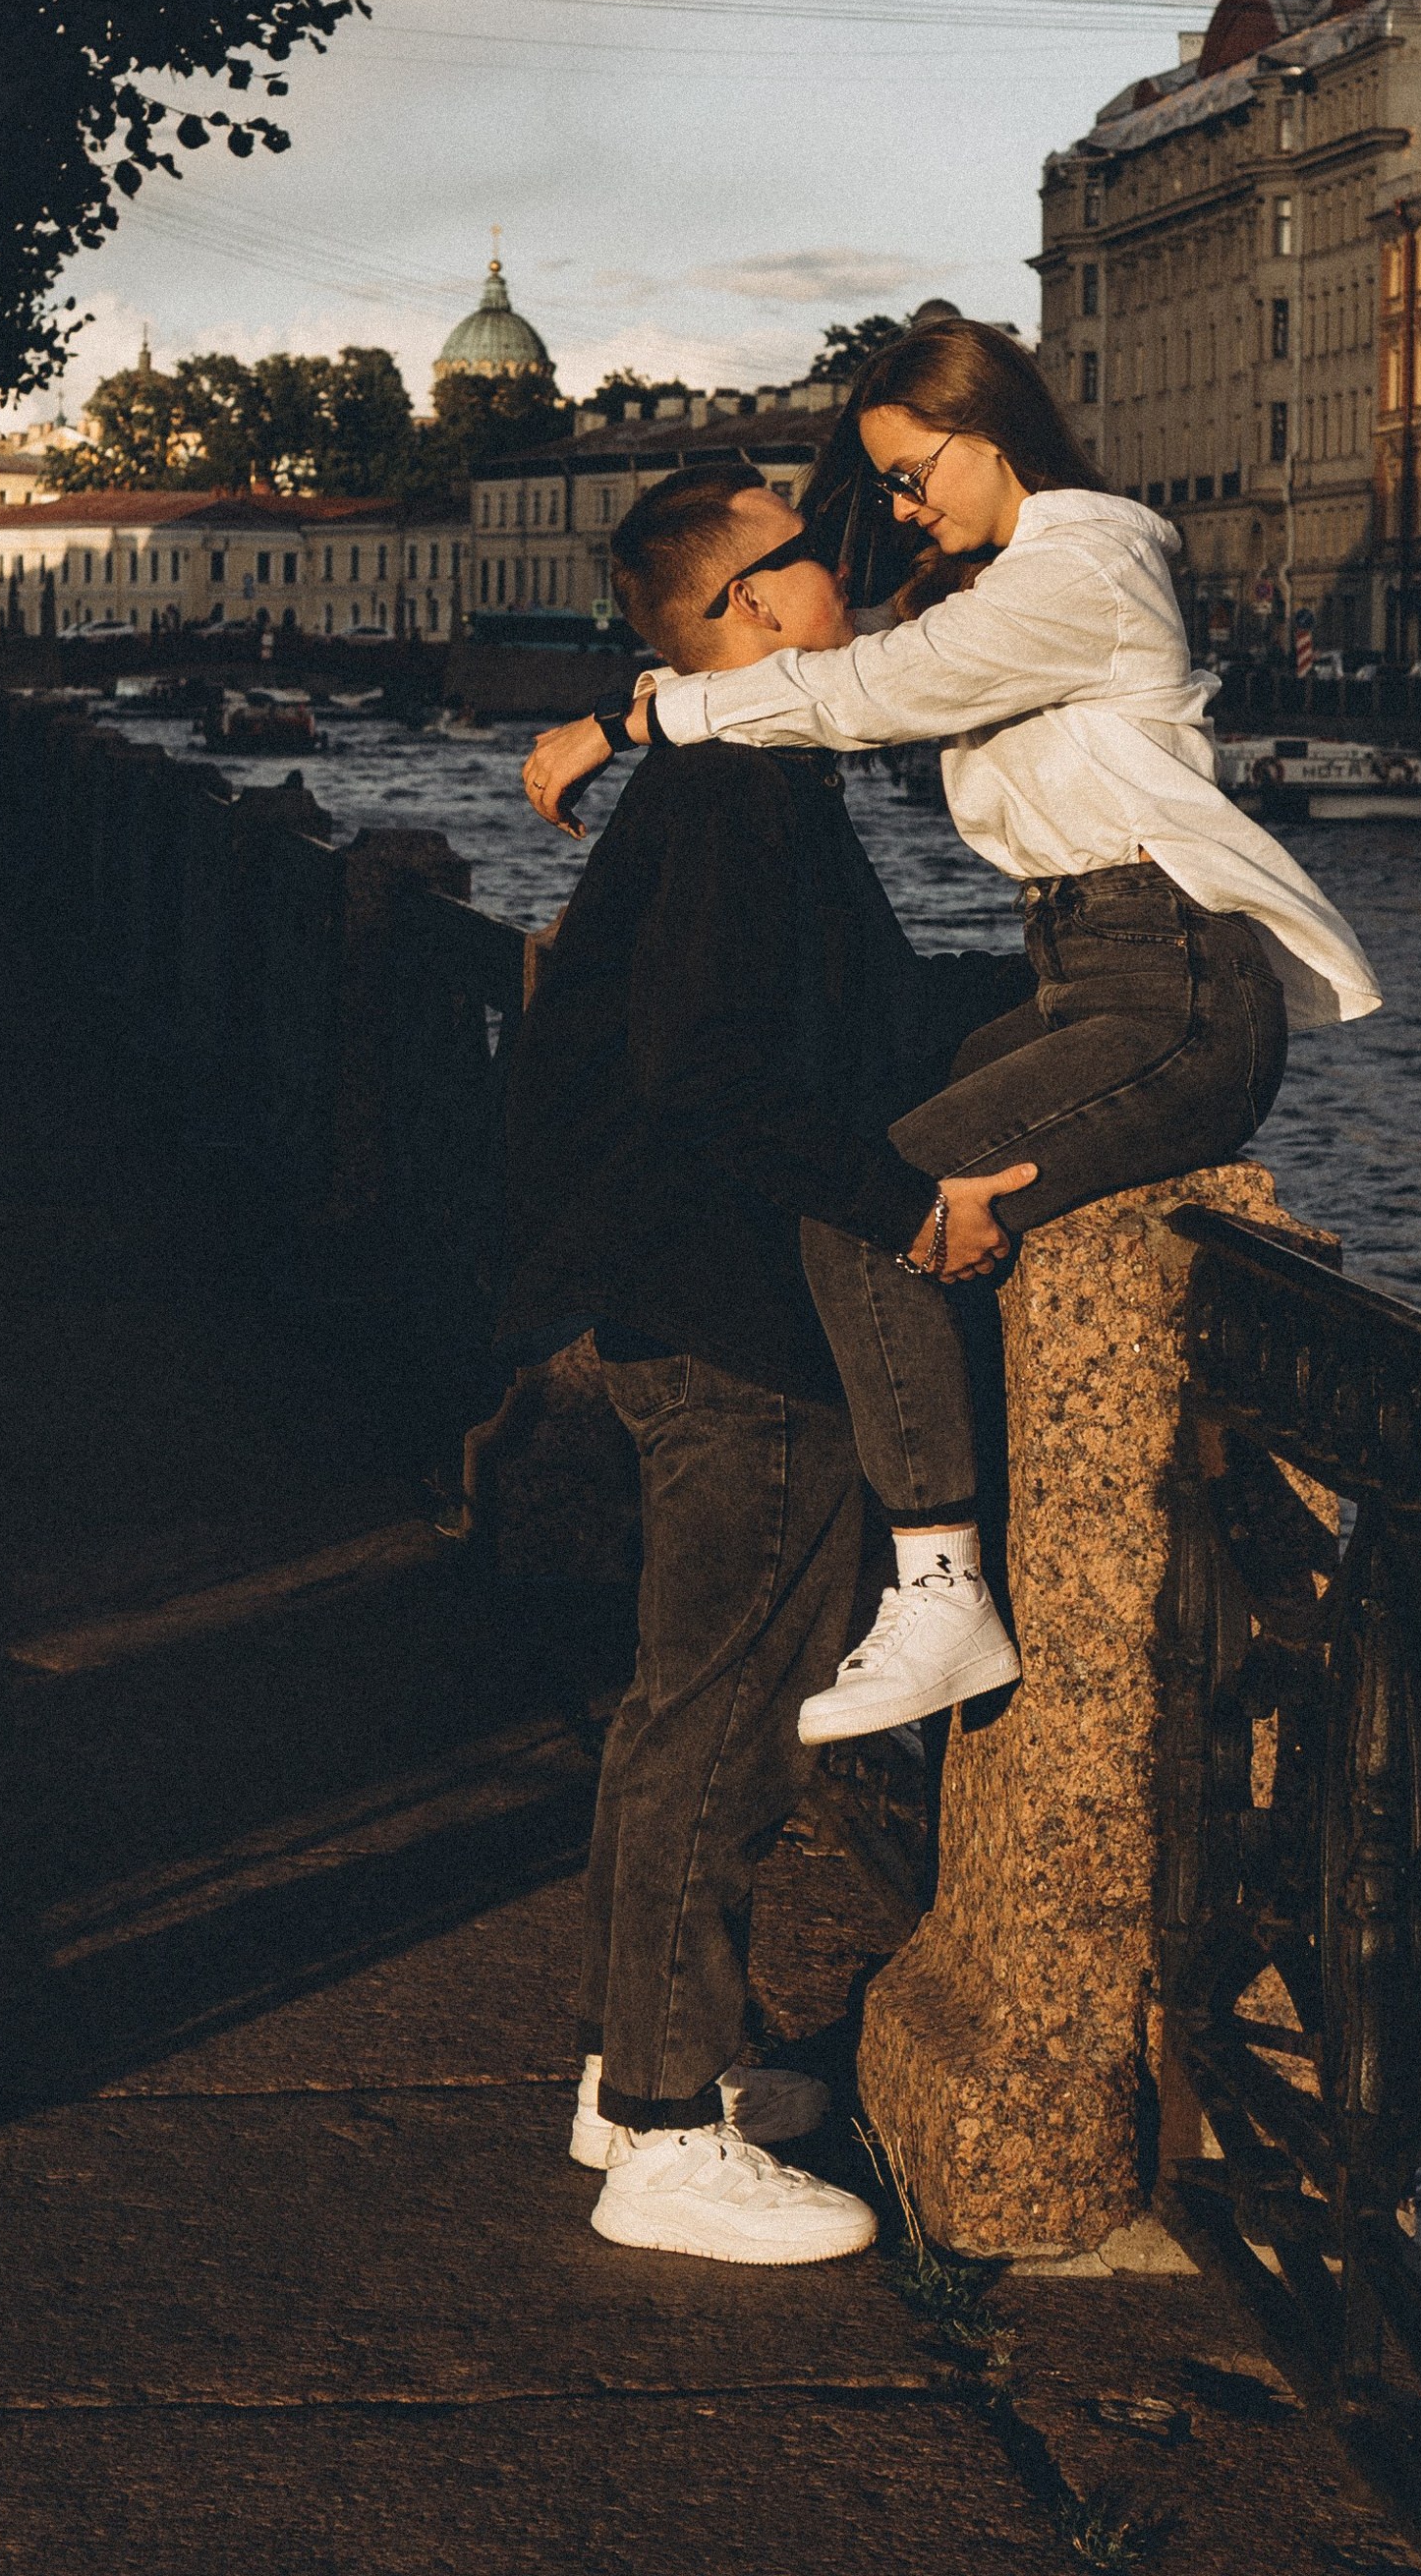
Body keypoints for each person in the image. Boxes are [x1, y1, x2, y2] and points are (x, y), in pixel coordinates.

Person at [522, 315, 1380, 1747]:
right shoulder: (1010, 583)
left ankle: (940, 1586)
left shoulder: (1085, 563)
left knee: (878, 1211)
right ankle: (933, 1550)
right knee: (885, 1173)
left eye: (914, 476)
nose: (903, 513)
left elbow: (865, 696)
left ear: (989, 436)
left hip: (1170, 985)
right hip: (1094, 966)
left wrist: (629, 726)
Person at [500, 455, 1035, 2264]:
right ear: (744, 609)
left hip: (683, 1292)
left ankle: (645, 2066)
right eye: (813, 558)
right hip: (748, 1312)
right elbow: (719, 1071)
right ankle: (662, 2133)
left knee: (684, 1704)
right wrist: (903, 1207)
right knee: (719, 1716)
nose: (850, 576)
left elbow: (800, 1027)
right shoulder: (737, 792)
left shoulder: (719, 767)